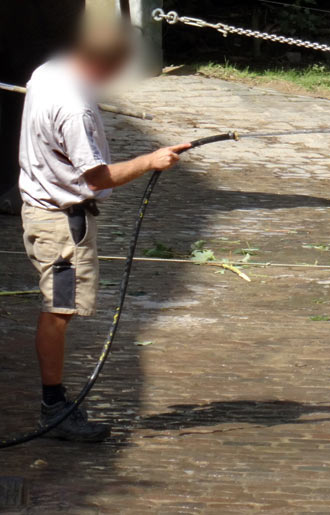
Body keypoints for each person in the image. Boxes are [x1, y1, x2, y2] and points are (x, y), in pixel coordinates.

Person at [18, 15, 190, 442]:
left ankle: (54, 403)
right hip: (60, 223)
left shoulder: (49, 72)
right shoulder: (74, 108)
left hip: (43, 207)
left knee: (60, 310)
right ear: (103, 62)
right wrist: (151, 161)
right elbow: (97, 178)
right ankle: (53, 410)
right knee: (59, 312)